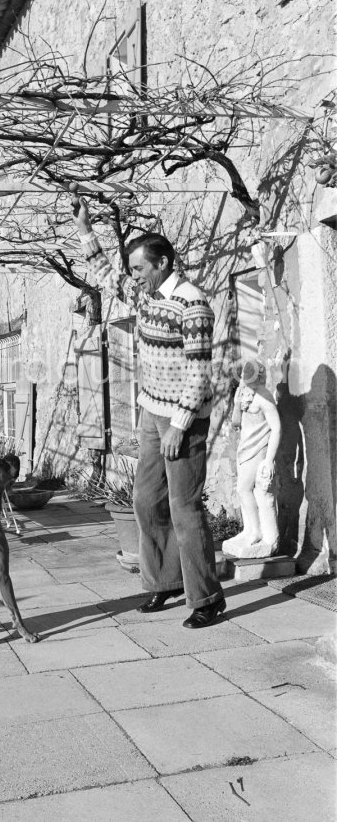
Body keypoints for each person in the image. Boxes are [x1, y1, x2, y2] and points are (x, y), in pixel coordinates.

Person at [71, 186, 225, 628]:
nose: (133, 276)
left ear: (162, 264)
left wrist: (179, 425)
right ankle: (165, 582)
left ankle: (207, 599)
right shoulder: (146, 295)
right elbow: (105, 274)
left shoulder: (192, 305)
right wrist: (85, 228)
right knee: (145, 500)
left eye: (139, 268)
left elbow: (200, 373)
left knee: (185, 507)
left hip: (184, 419)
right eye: (132, 270)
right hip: (150, 413)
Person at [222, 360, 281, 559]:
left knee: (243, 489)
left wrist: (270, 459)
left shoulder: (265, 398)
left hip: (258, 450)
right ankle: (249, 529)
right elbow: (236, 423)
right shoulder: (245, 394)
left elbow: (277, 428)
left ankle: (256, 532)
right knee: (246, 491)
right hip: (244, 449)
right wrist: (238, 404)